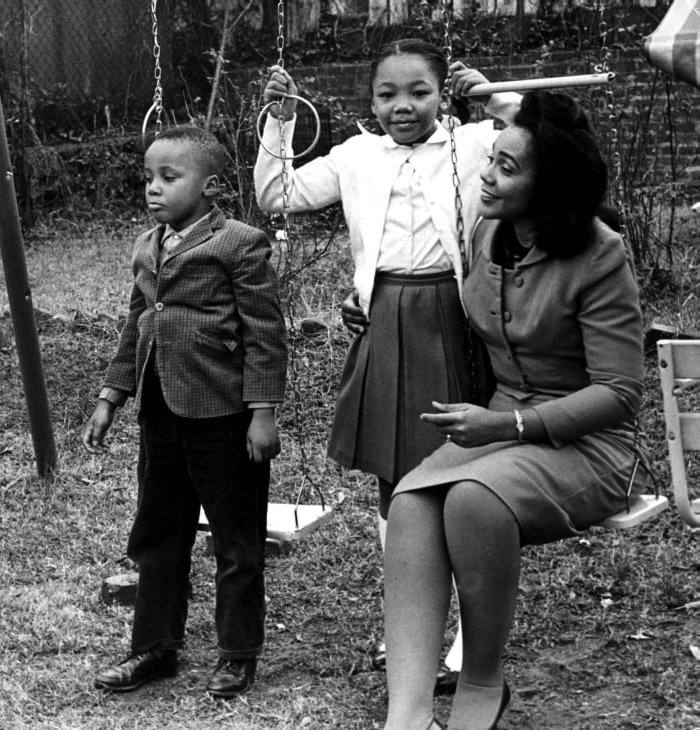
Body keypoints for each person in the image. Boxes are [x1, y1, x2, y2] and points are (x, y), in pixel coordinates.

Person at [255, 39, 520, 689]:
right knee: (394, 481)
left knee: (464, 479)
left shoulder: (475, 143)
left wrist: (497, 99)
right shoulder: (356, 155)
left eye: (419, 92)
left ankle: (468, 641)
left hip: (456, 321)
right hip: (386, 322)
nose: (403, 106)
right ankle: (411, 626)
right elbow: (276, 194)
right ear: (370, 102)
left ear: (443, 94)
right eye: (387, 94)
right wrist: (280, 121)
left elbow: (552, 147)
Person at [382, 90, 646, 730]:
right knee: (411, 504)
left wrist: (508, 425)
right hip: (504, 429)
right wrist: (369, 305)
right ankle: (407, 715)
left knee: (472, 499)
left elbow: (620, 391)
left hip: (589, 444)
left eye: (507, 168)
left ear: (549, 186)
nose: (488, 176)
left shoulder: (600, 253)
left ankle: (481, 682)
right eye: (491, 159)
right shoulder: (489, 232)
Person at [83, 126, 287, 698]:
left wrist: (263, 413)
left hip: (224, 418)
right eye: (148, 177)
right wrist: (110, 397)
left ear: (211, 186)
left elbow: (265, 334)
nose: (153, 188)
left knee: (235, 540)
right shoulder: (147, 246)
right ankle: (154, 647)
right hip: (160, 415)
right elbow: (136, 325)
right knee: (159, 535)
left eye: (169, 178)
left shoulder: (240, 243)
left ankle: (237, 654)